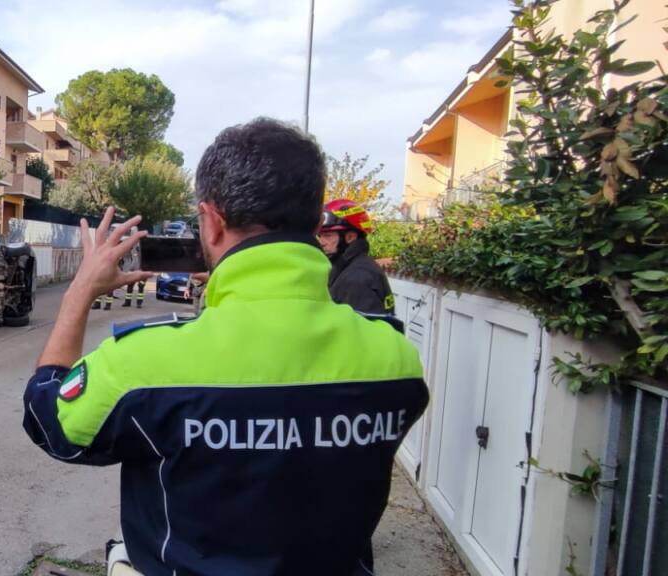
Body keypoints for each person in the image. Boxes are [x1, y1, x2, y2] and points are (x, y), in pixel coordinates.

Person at [22, 118, 429, 576]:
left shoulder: (142, 364)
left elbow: (48, 421)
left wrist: (80, 291)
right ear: (316, 224)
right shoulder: (396, 358)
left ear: (212, 223)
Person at [319, 199, 395, 315]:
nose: (321, 242)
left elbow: (352, 331)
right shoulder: (351, 267)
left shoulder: (357, 278)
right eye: (320, 236)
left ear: (350, 237)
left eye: (327, 235)